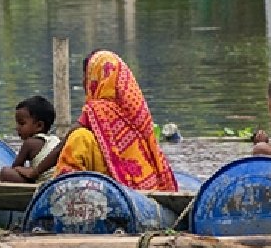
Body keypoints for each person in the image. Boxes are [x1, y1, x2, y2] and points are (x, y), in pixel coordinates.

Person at [33, 49, 178, 192]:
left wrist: (36, 171)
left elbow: (65, 141)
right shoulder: (133, 109)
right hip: (146, 181)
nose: (84, 81)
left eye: (86, 76)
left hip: (120, 184)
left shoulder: (99, 109)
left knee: (79, 137)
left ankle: (65, 190)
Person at [0, 95, 60, 183]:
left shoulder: (29, 143)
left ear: (39, 126)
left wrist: (24, 170)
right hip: (58, 180)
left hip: (43, 183)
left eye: (21, 123)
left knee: (5, 172)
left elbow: (15, 167)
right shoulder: (55, 140)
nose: (17, 128)